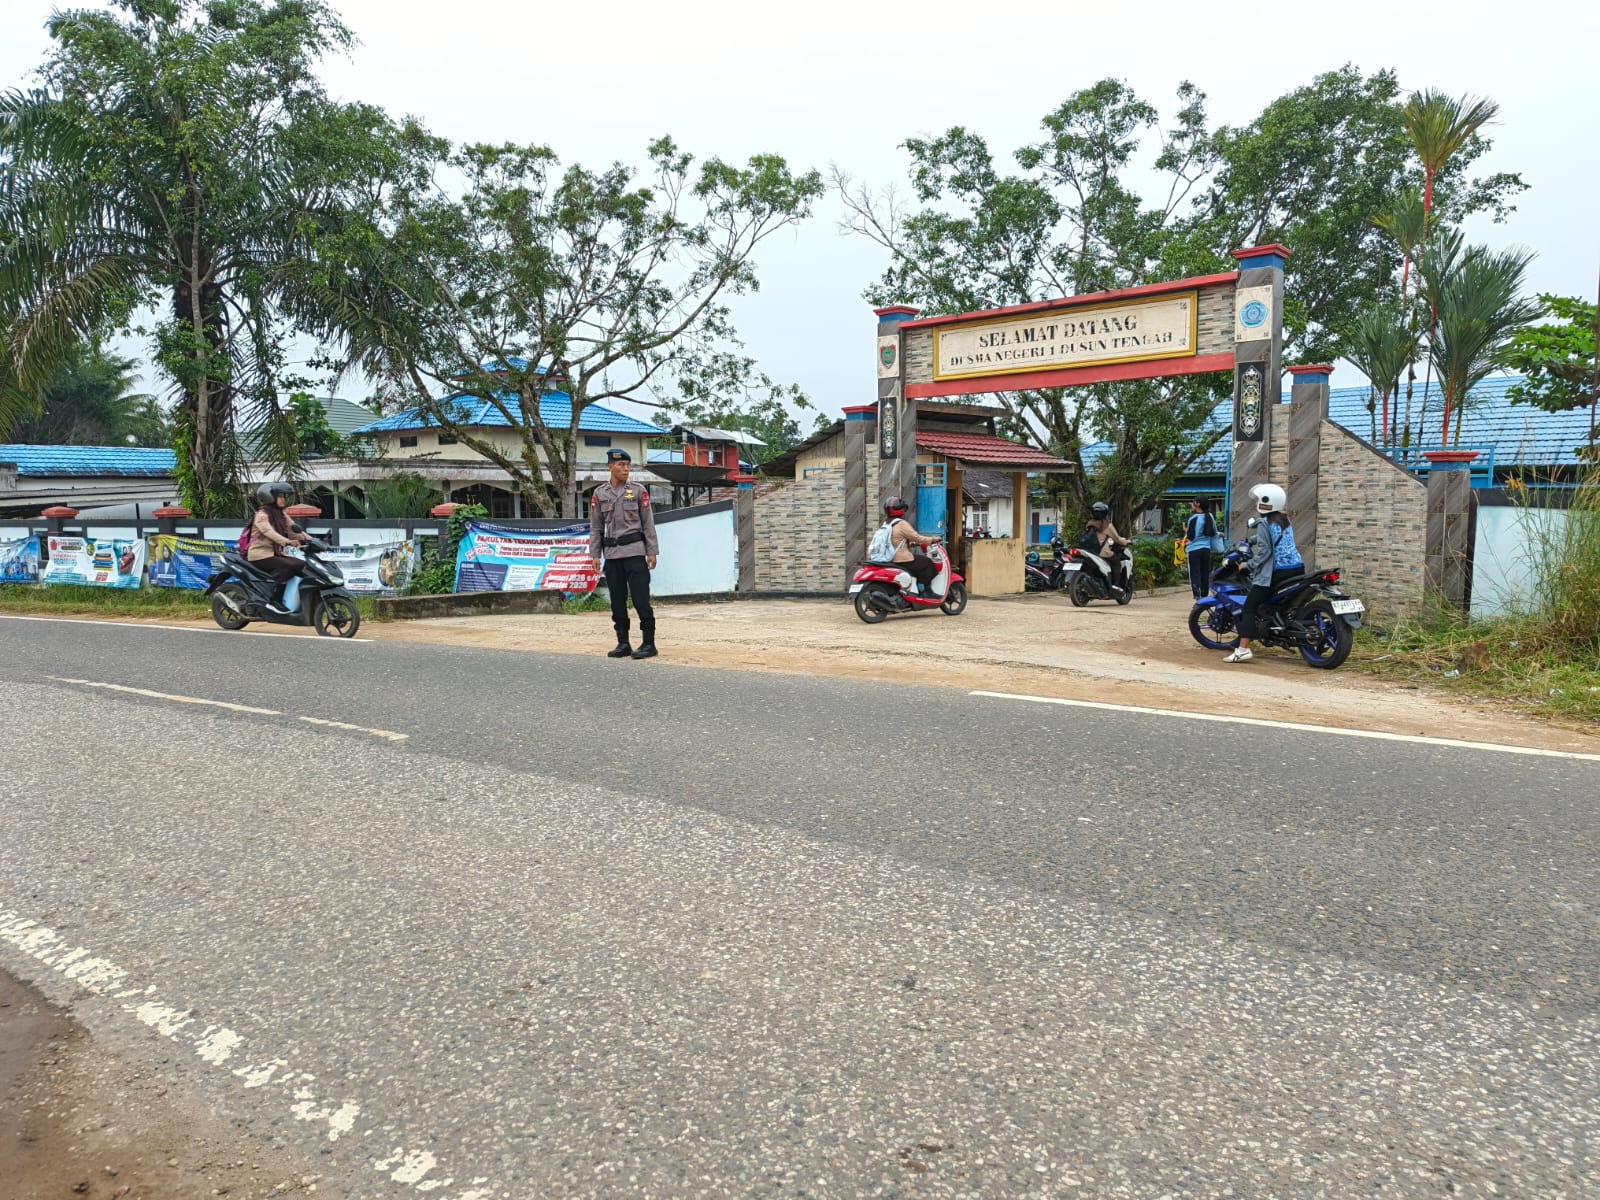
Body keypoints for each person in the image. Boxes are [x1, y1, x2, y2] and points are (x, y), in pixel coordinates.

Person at [589, 448, 659, 659]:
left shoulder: (638, 491)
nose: (626, 469)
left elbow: (648, 523)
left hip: (635, 553)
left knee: (640, 600)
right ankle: (623, 643)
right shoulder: (600, 493)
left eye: (628, 465)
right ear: (610, 466)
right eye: (621, 465)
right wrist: (595, 554)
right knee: (617, 601)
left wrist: (652, 551)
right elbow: (596, 526)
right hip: (612, 555)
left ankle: (649, 643)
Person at [1223, 483, 1304, 663]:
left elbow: (1265, 552)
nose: (1257, 503)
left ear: (1266, 502)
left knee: (1249, 607)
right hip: (1297, 568)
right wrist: (1252, 540)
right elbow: (1273, 538)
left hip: (1278, 572)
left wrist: (1247, 565)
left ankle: (1243, 649)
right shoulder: (1284, 520)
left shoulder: (1263, 523)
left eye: (1259, 500)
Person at [247, 482, 310, 613]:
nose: (283, 499)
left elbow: (294, 531)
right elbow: (269, 532)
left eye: (283, 496)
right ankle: (274, 600)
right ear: (270, 498)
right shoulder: (261, 515)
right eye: (280, 496)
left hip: (275, 554)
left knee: (302, 565)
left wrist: (314, 541)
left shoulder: (282, 515)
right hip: (260, 555)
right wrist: (287, 542)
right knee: (291, 566)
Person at [876, 496, 942, 595]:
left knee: (918, 562)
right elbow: (917, 537)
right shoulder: (901, 524)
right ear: (901, 510)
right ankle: (925, 589)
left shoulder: (887, 523)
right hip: (902, 560)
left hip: (890, 558)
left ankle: (914, 586)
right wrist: (932, 539)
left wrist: (911, 544)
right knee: (927, 562)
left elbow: (896, 541)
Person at [1084, 501, 1132, 592]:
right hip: (1101, 552)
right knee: (1116, 561)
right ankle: (1115, 584)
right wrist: (1127, 542)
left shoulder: (1090, 523)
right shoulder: (1107, 525)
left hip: (1089, 551)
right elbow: (1117, 539)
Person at [1184, 499, 1217, 600]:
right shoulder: (1210, 516)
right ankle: (1204, 595)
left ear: (1198, 504)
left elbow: (1190, 536)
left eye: (1193, 503)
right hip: (1206, 549)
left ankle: (1197, 595)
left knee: (1194, 573)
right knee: (1205, 573)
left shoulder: (1193, 519)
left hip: (1193, 549)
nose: (1192, 505)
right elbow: (1213, 532)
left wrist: (1186, 530)